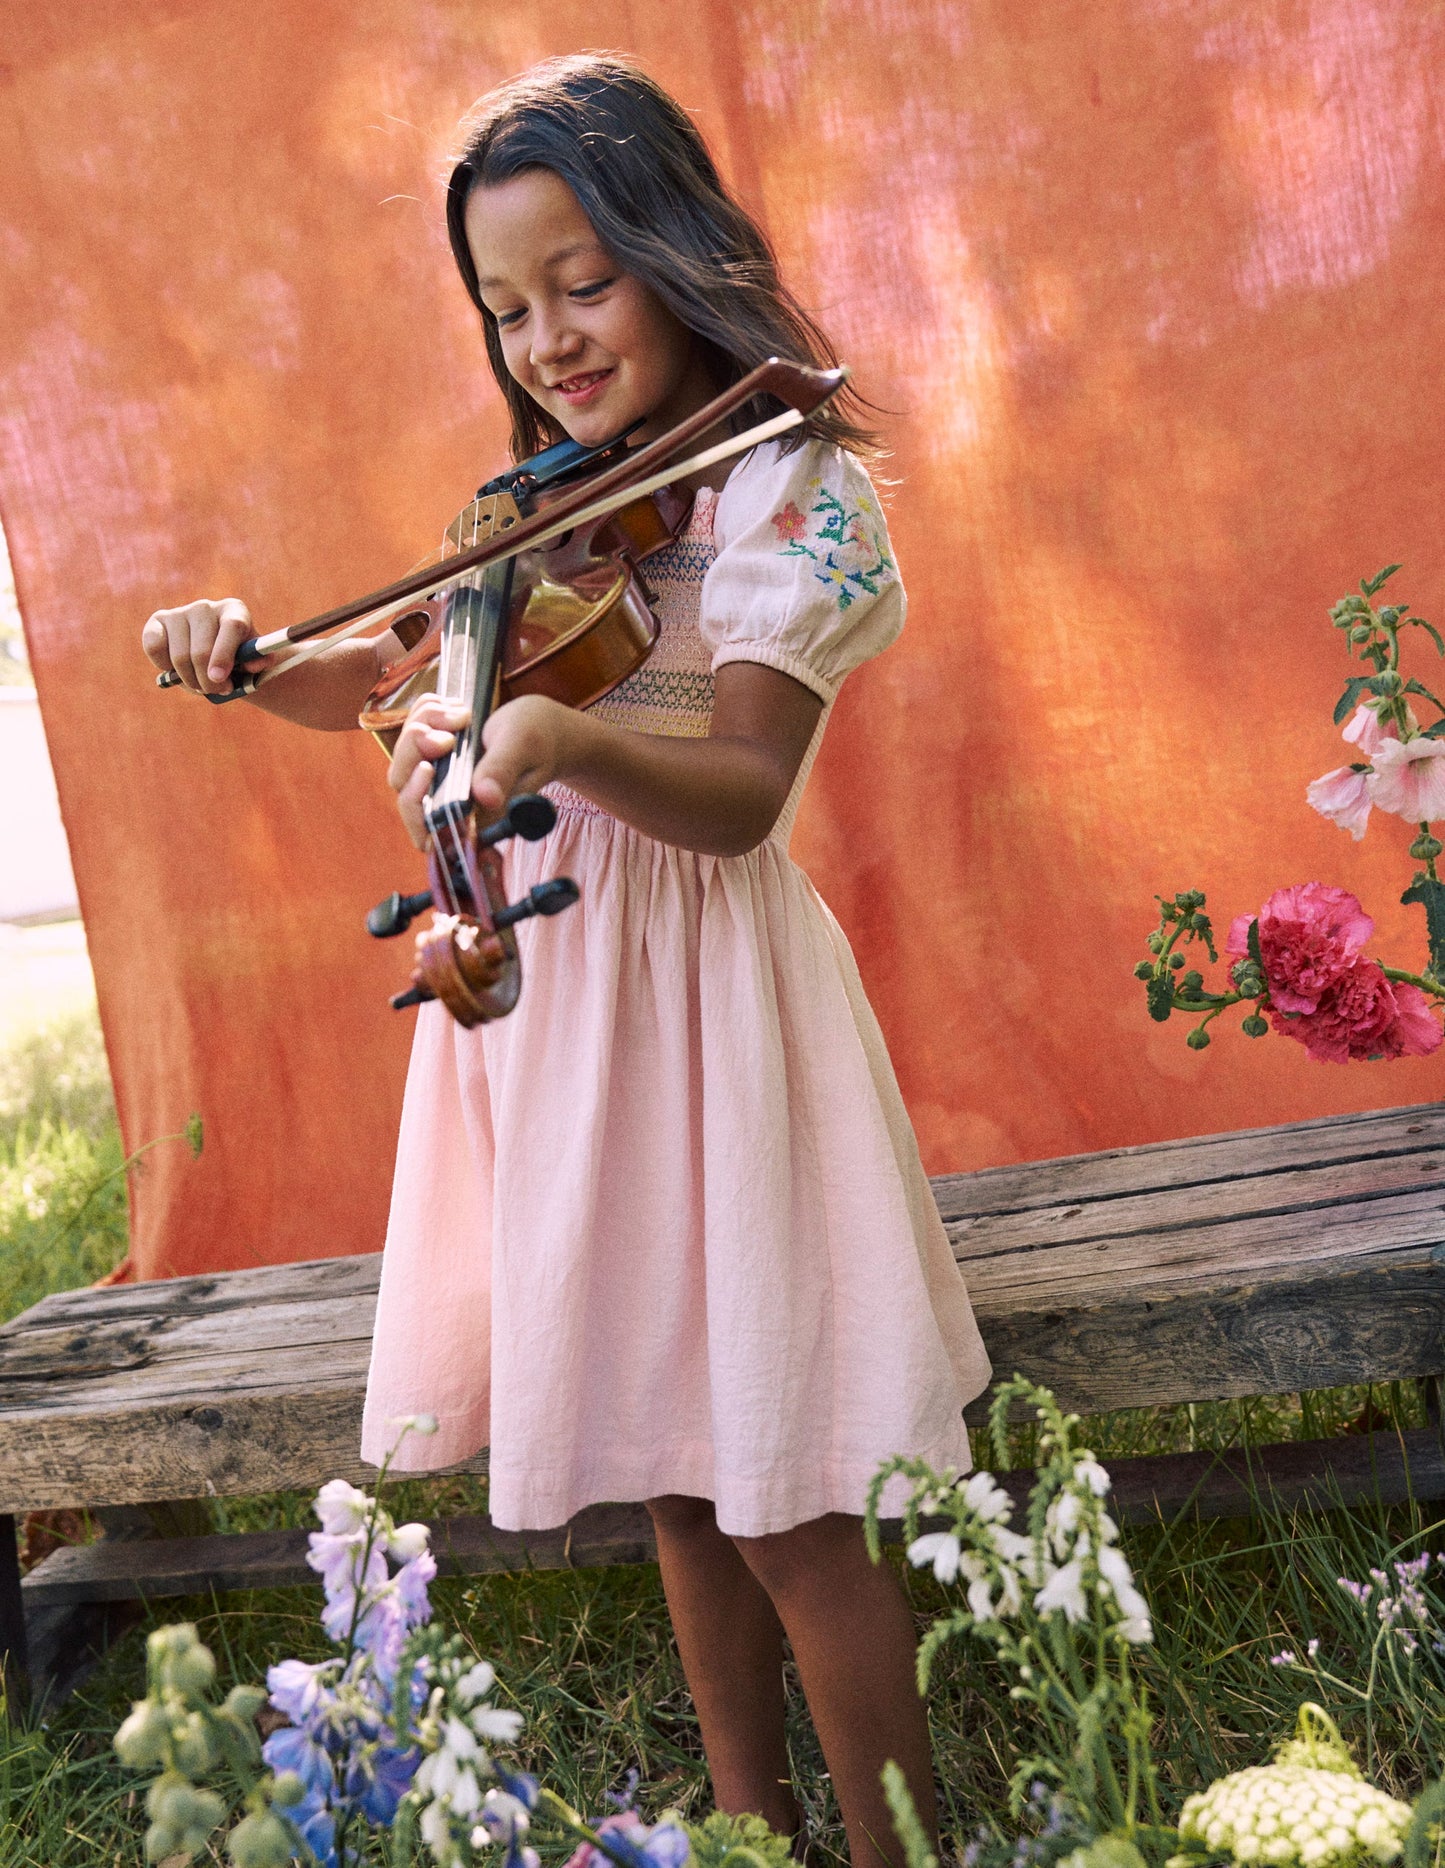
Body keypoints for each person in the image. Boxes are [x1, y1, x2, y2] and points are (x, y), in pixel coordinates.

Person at [142, 54, 991, 1868]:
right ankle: (750, 1833)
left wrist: (558, 739)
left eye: (580, 282)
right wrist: (235, 651)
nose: (545, 336)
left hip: (707, 1012)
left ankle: (899, 1847)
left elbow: (747, 791)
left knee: (784, 1489)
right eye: (503, 305)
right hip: (559, 1009)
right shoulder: (530, 513)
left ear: (676, 253)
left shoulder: (785, 491)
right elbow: (361, 671)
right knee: (674, 1469)